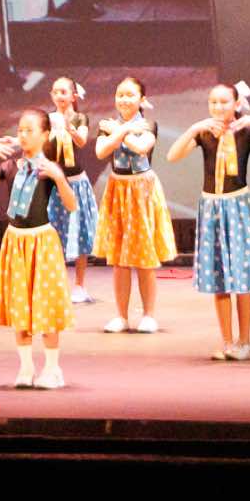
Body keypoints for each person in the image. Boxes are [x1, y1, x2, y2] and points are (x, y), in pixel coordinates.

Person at [166, 83, 250, 361]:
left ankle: (245, 341)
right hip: (211, 208)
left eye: (224, 102)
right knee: (219, 279)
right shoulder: (205, 132)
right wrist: (194, 128)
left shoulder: (247, 131)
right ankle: (227, 342)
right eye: (213, 102)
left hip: (238, 207)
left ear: (236, 104)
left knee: (241, 279)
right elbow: (173, 156)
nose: (218, 107)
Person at [0, 109, 77, 389]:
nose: (24, 135)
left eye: (30, 130)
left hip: (42, 242)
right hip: (16, 241)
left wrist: (59, 178)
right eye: (20, 130)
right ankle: (26, 368)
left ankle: (52, 369)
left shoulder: (49, 168)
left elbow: (71, 205)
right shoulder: (10, 167)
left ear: (45, 135)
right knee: (21, 306)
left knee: (46, 306)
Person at [93, 77, 177, 334]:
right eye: (120, 95)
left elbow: (141, 148)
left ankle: (149, 315)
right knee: (119, 260)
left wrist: (119, 131)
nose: (124, 99)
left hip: (141, 191)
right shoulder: (107, 126)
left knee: (144, 258)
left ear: (142, 99)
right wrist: (120, 131)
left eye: (130, 95)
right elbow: (101, 152)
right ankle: (121, 316)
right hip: (117, 189)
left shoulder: (148, 124)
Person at [47, 77, 99, 305]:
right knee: (53, 234)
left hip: (76, 182)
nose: (59, 96)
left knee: (80, 233)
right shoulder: (47, 119)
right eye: (55, 92)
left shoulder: (80, 118)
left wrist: (69, 128)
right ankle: (56, 284)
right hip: (54, 184)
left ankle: (79, 285)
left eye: (63, 92)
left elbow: (81, 141)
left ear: (73, 96)